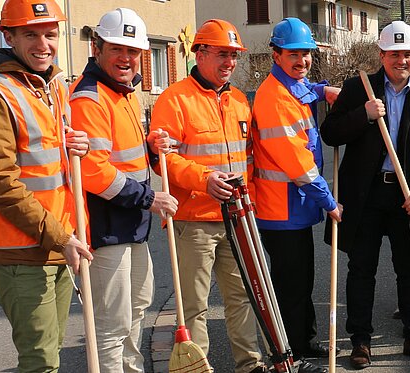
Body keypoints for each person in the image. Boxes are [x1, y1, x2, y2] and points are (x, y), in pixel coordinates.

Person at [320, 20, 410, 369]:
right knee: (362, 269)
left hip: (408, 198)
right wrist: (362, 115)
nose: (401, 61)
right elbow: (330, 133)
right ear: (382, 55)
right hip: (366, 195)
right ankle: (360, 342)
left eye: (407, 54)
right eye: (394, 54)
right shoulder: (357, 89)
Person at [0, 0, 92, 370]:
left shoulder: (53, 83)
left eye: (50, 34)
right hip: (21, 248)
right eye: (30, 34)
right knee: (40, 361)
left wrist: (77, 144)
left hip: (57, 240)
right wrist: (58, 235)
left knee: (52, 353)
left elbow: (49, 158)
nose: (43, 44)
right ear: (8, 36)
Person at [149, 19, 266, 373]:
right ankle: (197, 367)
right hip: (194, 220)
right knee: (194, 305)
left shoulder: (239, 100)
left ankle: (250, 364)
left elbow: (249, 159)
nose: (229, 62)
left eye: (233, 55)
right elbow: (163, 161)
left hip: (238, 217)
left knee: (242, 297)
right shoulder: (174, 100)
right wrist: (204, 179)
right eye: (222, 54)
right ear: (199, 53)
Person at [70, 8, 178, 371]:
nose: (126, 58)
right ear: (97, 47)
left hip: (130, 222)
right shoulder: (90, 97)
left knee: (137, 307)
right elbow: (95, 172)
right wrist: (150, 198)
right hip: (105, 227)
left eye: (133, 52)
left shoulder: (124, 91)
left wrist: (151, 147)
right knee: (111, 326)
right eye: (117, 48)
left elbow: (122, 155)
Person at [250, 17, 341, 364]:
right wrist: (329, 202)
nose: (301, 61)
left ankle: (304, 342)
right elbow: (298, 164)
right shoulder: (273, 97)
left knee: (303, 279)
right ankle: (288, 354)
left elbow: (306, 89)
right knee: (290, 286)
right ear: (276, 55)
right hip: (279, 208)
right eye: (293, 54)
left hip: (294, 207)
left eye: (306, 54)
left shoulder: (293, 88)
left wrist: (324, 90)